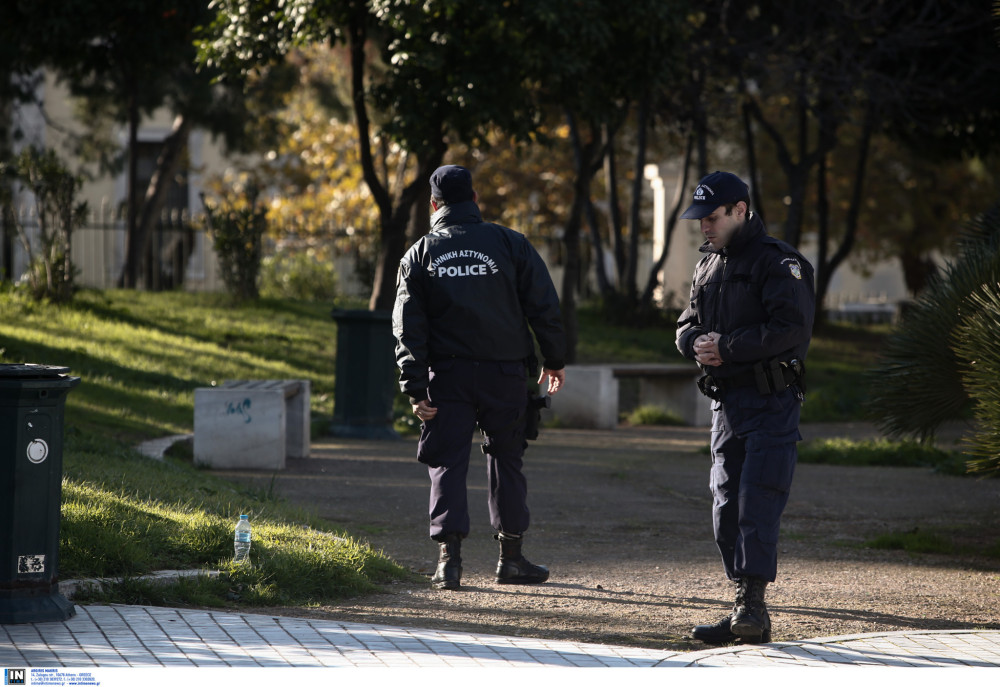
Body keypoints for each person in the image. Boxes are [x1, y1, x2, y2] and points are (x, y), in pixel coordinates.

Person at [392, 164, 566, 591]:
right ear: (475, 201)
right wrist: (554, 359)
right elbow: (543, 304)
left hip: (447, 376)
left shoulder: (419, 252)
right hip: (504, 374)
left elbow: (407, 325)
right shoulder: (510, 243)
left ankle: (448, 563)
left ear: (434, 205)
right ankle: (511, 558)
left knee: (447, 462)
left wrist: (414, 386)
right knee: (506, 460)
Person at [675, 171, 815, 644]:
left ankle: (753, 608)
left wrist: (728, 347)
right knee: (726, 507)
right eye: (700, 220)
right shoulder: (708, 265)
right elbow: (685, 322)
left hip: (771, 400)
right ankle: (740, 603)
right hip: (727, 404)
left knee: (758, 500)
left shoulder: (779, 262)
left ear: (740, 210)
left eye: (712, 218)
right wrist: (696, 342)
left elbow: (791, 328)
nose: (704, 228)